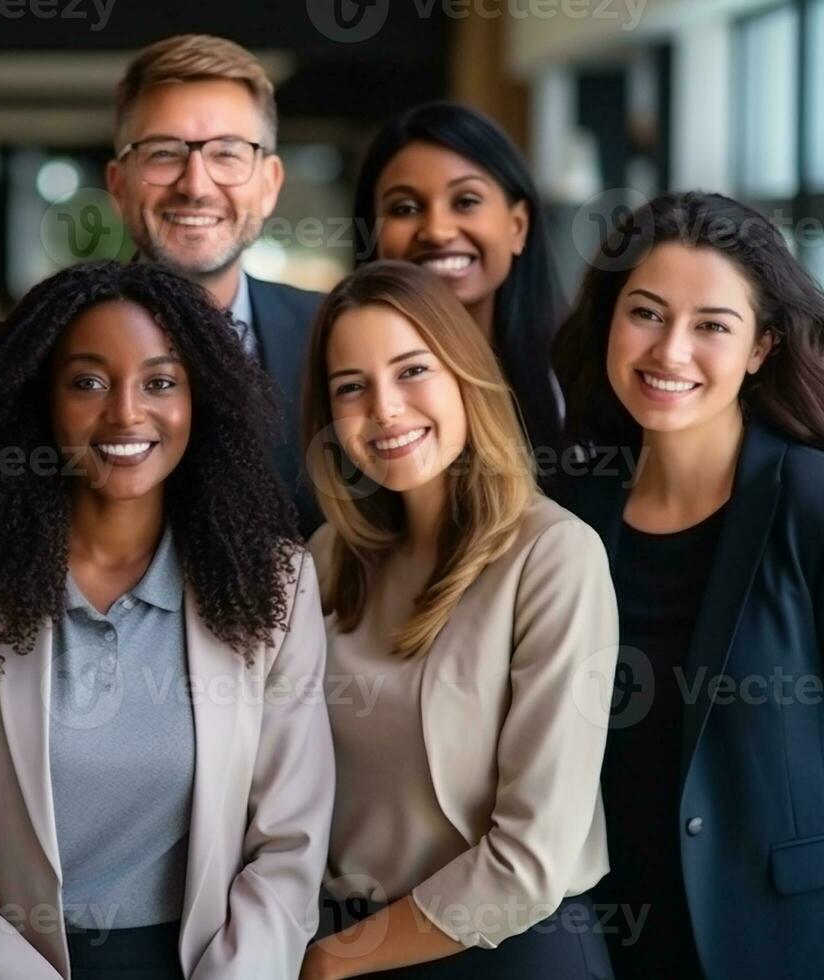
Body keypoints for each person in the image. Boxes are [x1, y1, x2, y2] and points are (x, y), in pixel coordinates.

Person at [0, 260, 333, 979]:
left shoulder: (275, 584)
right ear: (41, 401)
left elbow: (290, 851)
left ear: (199, 399)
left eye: (160, 382)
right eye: (87, 382)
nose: (125, 413)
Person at [551, 191, 824, 980]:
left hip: (801, 942)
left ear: (762, 347)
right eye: (646, 313)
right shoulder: (570, 516)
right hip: (611, 939)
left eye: (712, 326)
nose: (670, 352)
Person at [300, 261, 617, 980]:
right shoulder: (327, 558)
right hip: (348, 945)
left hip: (503, 954)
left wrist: (329, 962)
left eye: (412, 370)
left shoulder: (554, 556)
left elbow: (531, 863)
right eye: (351, 387)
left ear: (465, 375)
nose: (384, 409)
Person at [107, 33, 324, 533]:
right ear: (119, 185)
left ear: (269, 184)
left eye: (227, 153)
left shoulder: (333, 335)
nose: (196, 185)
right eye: (164, 153)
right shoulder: (51, 348)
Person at [351, 102, 566, 466]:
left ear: (517, 226)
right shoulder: (344, 382)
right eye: (404, 209)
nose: (437, 231)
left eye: (465, 201)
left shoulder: (578, 374)